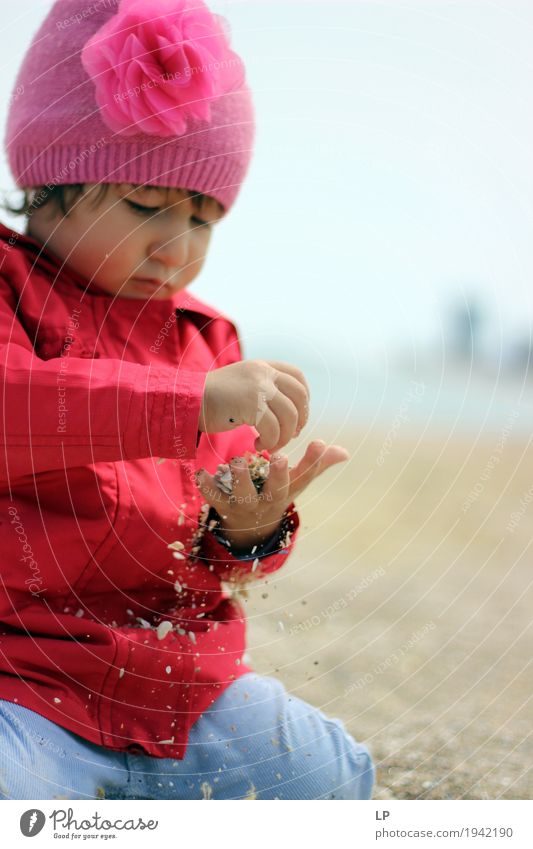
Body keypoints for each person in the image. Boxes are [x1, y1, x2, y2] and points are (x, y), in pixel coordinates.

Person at [0, 0, 375, 800]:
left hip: (171, 682)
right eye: (143, 207)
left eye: (205, 219)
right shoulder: (10, 291)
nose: (178, 247)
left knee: (329, 775)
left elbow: (217, 550)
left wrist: (251, 527)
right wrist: (186, 402)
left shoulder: (207, 343)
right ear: (46, 182)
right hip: (21, 676)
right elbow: (14, 403)